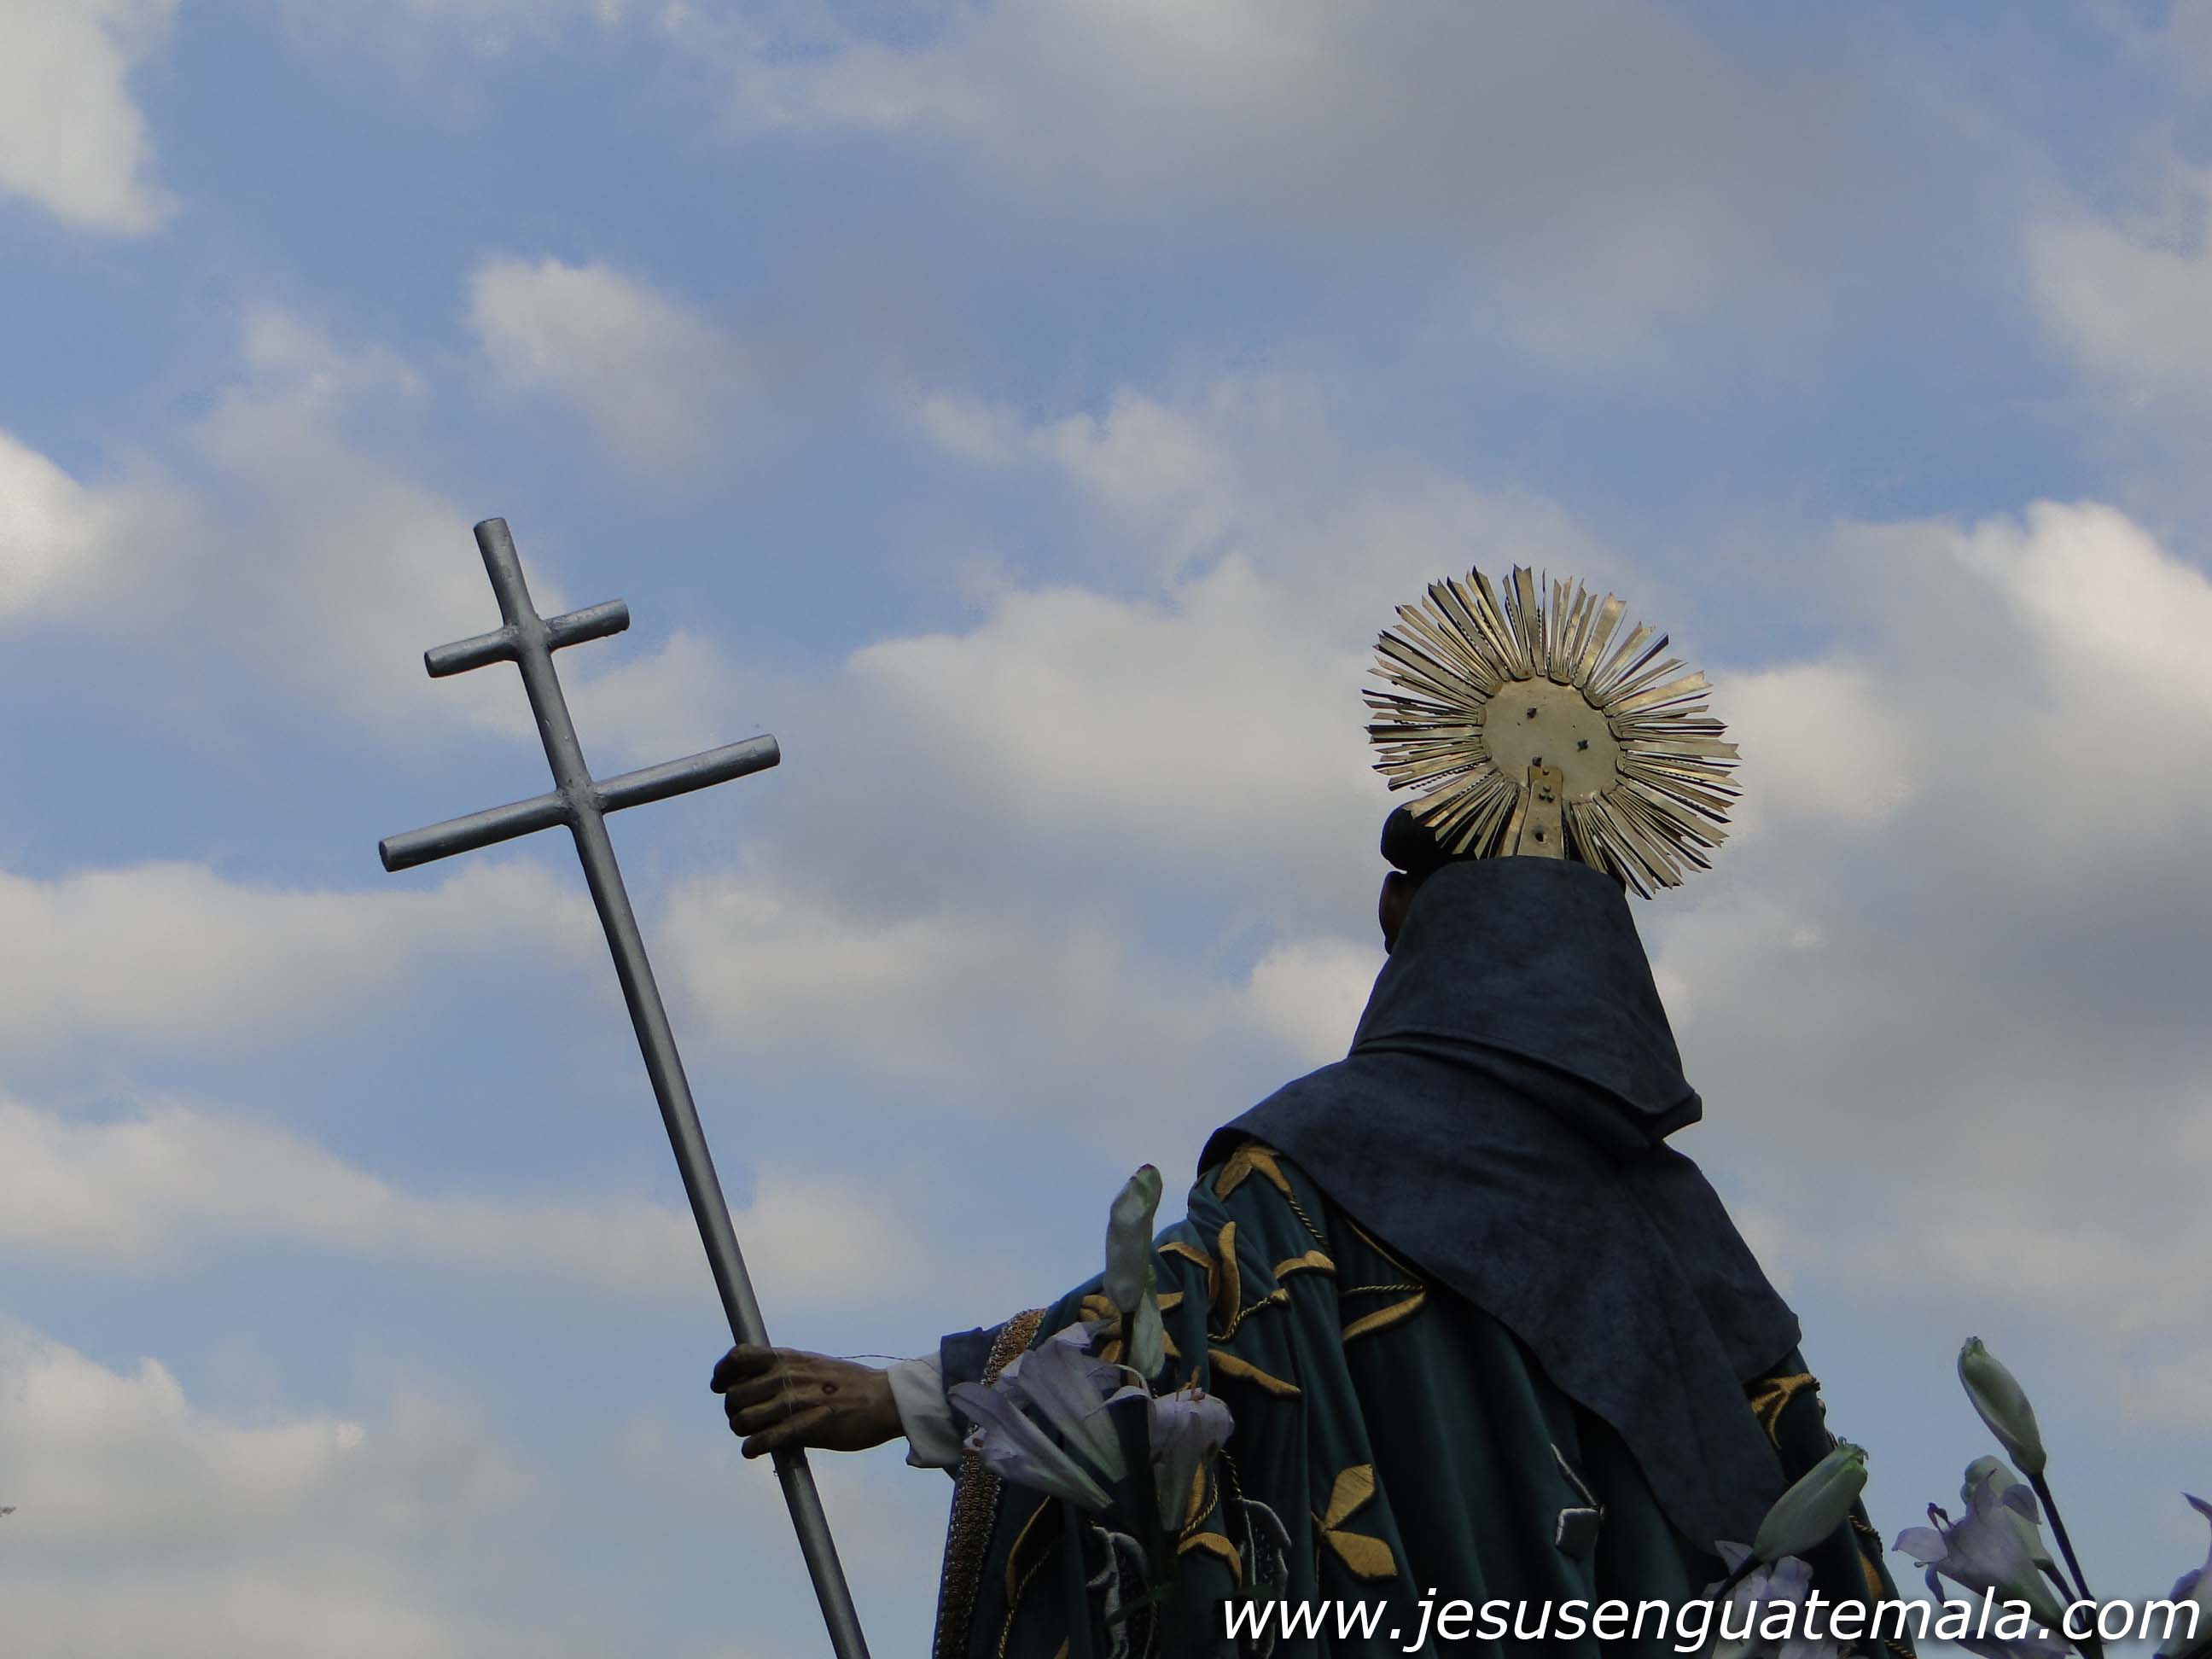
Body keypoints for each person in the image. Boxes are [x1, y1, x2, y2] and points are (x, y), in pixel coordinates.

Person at [713, 804, 1907, 1657]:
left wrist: (906, 1397)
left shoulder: (1334, 1149)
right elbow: (1814, 1542)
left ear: (1417, 914)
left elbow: (1163, 1337)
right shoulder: (1693, 1238)